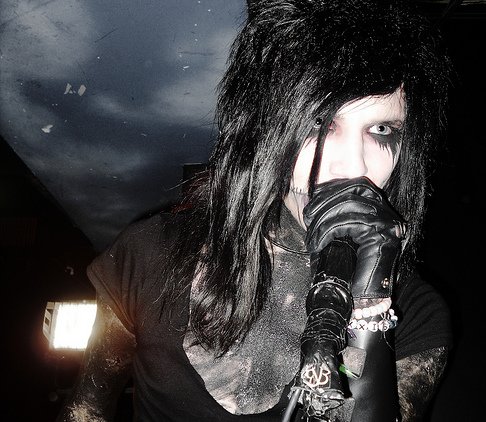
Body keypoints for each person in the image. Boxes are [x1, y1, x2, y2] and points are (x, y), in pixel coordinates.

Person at [57, 0, 453, 421]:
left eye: (381, 129)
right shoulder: (152, 252)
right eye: (319, 123)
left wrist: (368, 308)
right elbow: (86, 410)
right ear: (264, 128)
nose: (353, 168)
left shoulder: (416, 315)